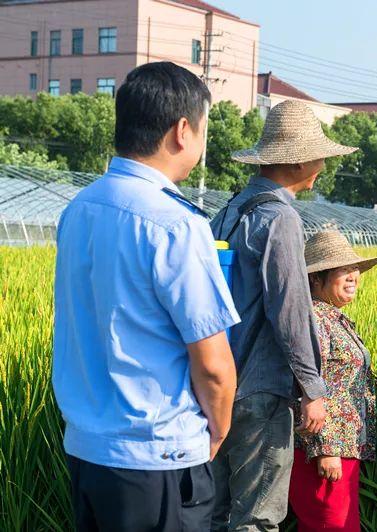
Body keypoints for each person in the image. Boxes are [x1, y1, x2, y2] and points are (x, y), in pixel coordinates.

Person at [53, 62, 240, 531]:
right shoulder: (177, 225)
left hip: (87, 450)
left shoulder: (79, 209)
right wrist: (218, 430)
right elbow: (213, 365)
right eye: (203, 130)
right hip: (158, 456)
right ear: (182, 131)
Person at [209, 101, 358, 531]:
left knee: (214, 514)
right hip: (259, 387)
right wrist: (312, 387)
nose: (324, 165)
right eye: (319, 155)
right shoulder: (280, 217)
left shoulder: (228, 212)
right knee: (256, 519)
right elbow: (289, 307)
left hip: (216, 381)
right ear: (296, 160)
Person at [289, 230, 377, 532]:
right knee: (329, 526)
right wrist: (326, 448)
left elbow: (340, 379)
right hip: (323, 448)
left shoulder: (331, 317)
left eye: (355, 269)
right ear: (315, 278)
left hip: (344, 446)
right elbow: (308, 384)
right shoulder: (315, 319)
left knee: (338, 525)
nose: (353, 276)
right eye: (342, 270)